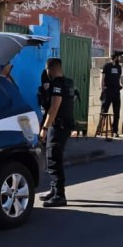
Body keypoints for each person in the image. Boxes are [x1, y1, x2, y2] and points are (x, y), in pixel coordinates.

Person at [39, 58, 75, 207]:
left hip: (57, 126)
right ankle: (54, 190)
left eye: (47, 70)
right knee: (53, 158)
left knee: (53, 159)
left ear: (50, 69)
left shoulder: (57, 85)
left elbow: (54, 107)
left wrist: (45, 128)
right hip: (64, 126)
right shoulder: (68, 83)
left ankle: (59, 195)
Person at [100, 52, 123, 137]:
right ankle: (100, 130)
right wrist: (102, 90)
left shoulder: (119, 67)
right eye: (119, 57)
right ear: (115, 57)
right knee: (104, 111)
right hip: (108, 90)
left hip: (116, 91)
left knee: (117, 112)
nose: (120, 59)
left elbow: (120, 79)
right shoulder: (107, 66)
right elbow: (102, 78)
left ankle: (115, 131)